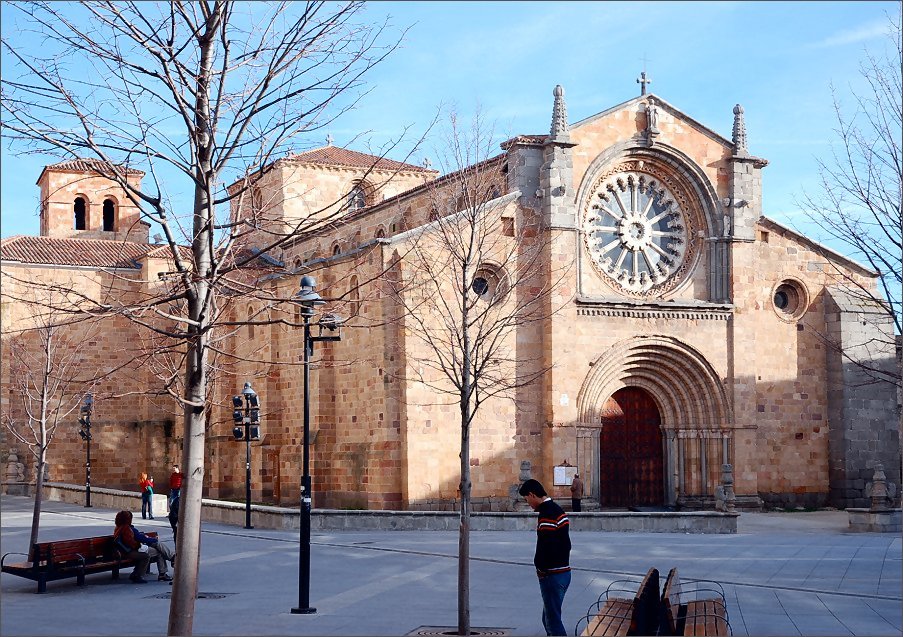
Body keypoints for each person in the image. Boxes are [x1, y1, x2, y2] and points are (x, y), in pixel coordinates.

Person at [519, 478, 571, 637]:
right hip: (563, 572)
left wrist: (542, 568)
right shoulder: (557, 510)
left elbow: (547, 546)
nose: (528, 503)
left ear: (532, 494)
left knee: (553, 622)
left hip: (552, 575)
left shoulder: (547, 513)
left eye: (527, 499)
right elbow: (566, 544)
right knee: (548, 618)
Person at [113, 510, 175, 583]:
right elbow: (136, 540)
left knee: (158, 547)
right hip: (131, 551)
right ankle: (169, 561)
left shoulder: (119, 528)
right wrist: (151, 540)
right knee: (157, 549)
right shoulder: (127, 529)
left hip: (128, 550)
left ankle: (166, 567)